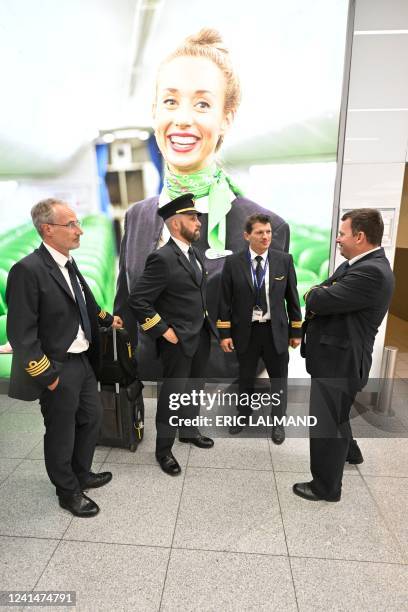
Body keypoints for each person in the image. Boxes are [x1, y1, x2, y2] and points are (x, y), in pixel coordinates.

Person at [114, 28, 290, 381]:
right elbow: (125, 312)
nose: (182, 118)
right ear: (154, 111)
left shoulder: (265, 226)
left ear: (226, 116)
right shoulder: (137, 217)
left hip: (217, 397)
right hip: (145, 391)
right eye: (170, 101)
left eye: (202, 104)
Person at [6, 199, 123, 517]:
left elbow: (84, 300)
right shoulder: (27, 271)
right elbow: (21, 334)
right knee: (61, 430)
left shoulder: (68, 262)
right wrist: (48, 375)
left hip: (82, 360)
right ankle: (67, 491)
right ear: (47, 229)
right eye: (71, 224)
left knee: (91, 418)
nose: (79, 230)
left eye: (78, 223)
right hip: (57, 366)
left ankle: (81, 473)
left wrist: (106, 318)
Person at [294, 208, 394, 502]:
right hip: (338, 359)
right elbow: (325, 292)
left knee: (326, 421)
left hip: (340, 362)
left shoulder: (371, 272)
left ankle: (326, 487)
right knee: (337, 414)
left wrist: (316, 295)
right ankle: (351, 452)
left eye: (342, 233)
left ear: (360, 236)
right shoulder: (359, 265)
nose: (337, 239)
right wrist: (321, 292)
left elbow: (317, 297)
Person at [129, 193, 217, 476]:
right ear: (176, 223)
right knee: (172, 397)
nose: (198, 222)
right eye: (193, 218)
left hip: (200, 335)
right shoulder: (162, 258)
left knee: (194, 390)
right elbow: (138, 300)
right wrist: (162, 330)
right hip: (177, 342)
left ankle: (188, 431)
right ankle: (164, 450)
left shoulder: (194, 253)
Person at [218, 213, 302, 443]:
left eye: (268, 232)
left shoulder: (284, 260)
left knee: (279, 379)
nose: (266, 237)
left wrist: (296, 331)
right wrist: (224, 334)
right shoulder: (233, 262)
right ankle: (243, 414)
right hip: (247, 331)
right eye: (259, 232)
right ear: (247, 236)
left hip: (275, 331)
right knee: (245, 377)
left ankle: (278, 422)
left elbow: (292, 298)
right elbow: (224, 301)